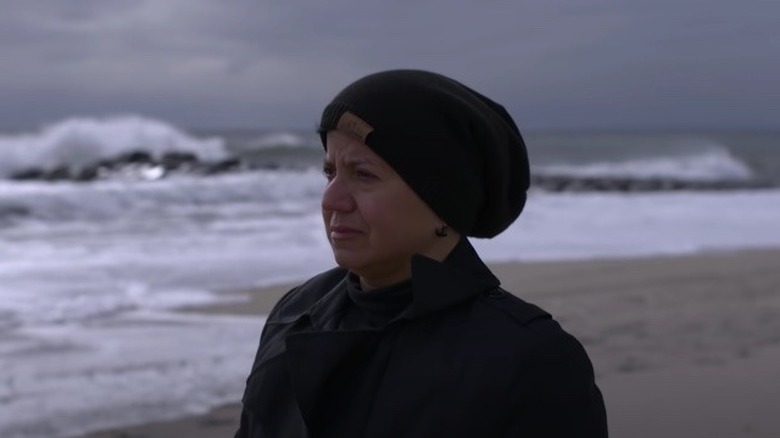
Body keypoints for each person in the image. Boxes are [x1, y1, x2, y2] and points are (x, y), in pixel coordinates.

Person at [235, 69, 607, 438]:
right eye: (329, 172)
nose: (331, 199)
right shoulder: (295, 314)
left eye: (363, 175)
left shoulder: (530, 360)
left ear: (443, 200)